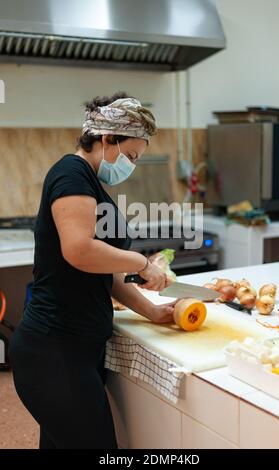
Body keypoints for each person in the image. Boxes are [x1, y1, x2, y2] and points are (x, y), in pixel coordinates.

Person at [9, 91, 177, 449]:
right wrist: (142, 263)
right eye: (130, 156)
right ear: (106, 139)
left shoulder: (88, 182)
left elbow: (104, 275)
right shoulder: (71, 175)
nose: (130, 166)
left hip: (73, 351)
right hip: (54, 353)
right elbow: (80, 251)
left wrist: (152, 311)